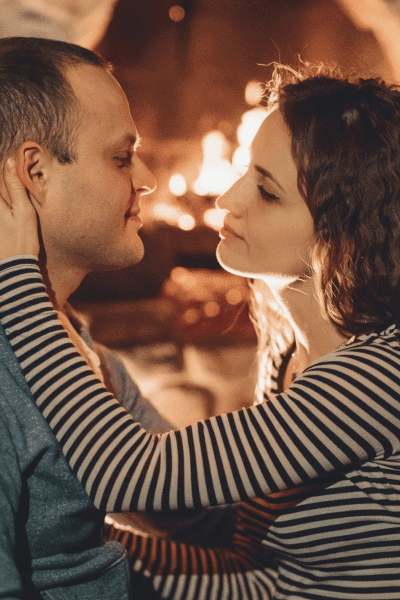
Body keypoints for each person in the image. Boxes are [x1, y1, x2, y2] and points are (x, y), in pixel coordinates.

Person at [2, 60, 400, 599]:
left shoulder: (378, 379)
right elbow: (252, 556)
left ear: (346, 238)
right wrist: (86, 549)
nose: (228, 200)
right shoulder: (289, 350)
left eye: (268, 191)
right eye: (246, 173)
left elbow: (130, 473)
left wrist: (20, 288)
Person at [0, 35, 234, 600]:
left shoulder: (71, 338)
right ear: (35, 172)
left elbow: (178, 498)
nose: (147, 177)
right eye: (121, 157)